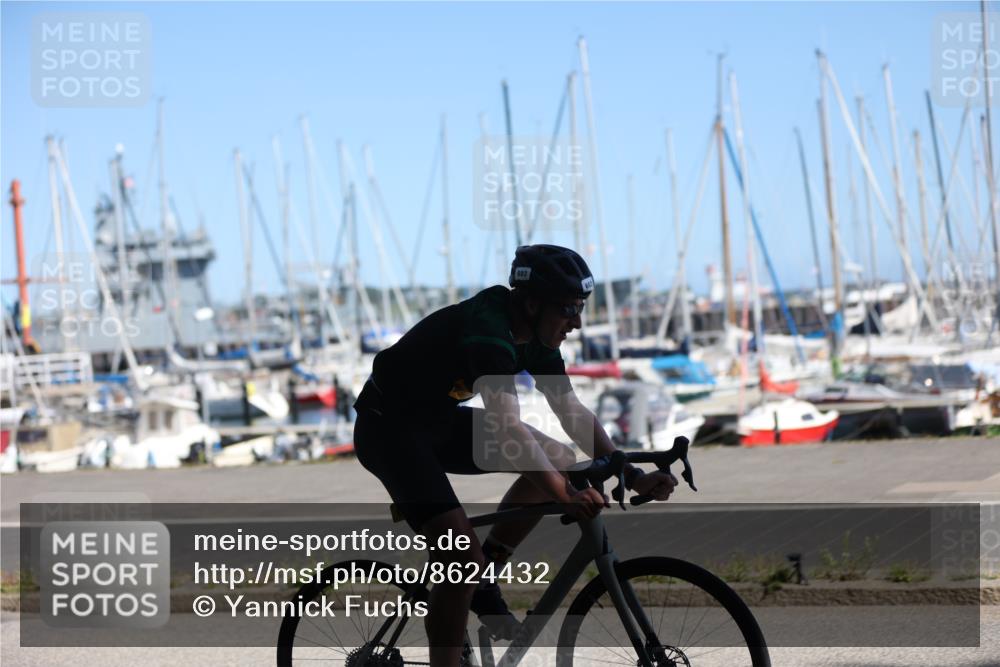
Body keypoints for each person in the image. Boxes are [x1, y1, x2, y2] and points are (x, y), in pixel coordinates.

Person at [353, 244, 677, 665]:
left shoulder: (538, 336)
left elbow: (572, 412)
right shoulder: (489, 328)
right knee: (459, 558)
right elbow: (508, 427)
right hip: (389, 430)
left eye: (580, 308)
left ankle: (485, 577)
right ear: (531, 302)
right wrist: (565, 495)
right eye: (568, 309)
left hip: (435, 421)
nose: (576, 322)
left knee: (559, 456)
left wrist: (631, 475)